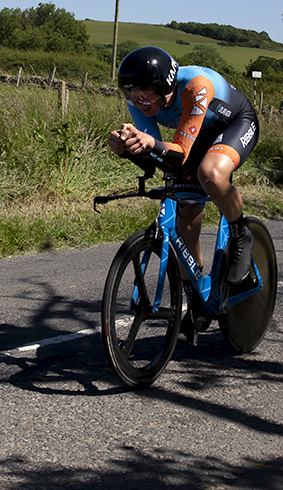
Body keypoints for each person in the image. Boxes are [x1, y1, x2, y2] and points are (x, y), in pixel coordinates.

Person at [109, 46, 259, 344]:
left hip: (234, 124)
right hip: (192, 135)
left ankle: (241, 234)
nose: (140, 102)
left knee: (211, 175)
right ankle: (196, 297)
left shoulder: (195, 86)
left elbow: (175, 151)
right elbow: (159, 159)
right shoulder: (139, 104)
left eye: (146, 94)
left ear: (166, 85)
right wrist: (128, 148)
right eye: (132, 95)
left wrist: (150, 141)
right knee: (186, 211)